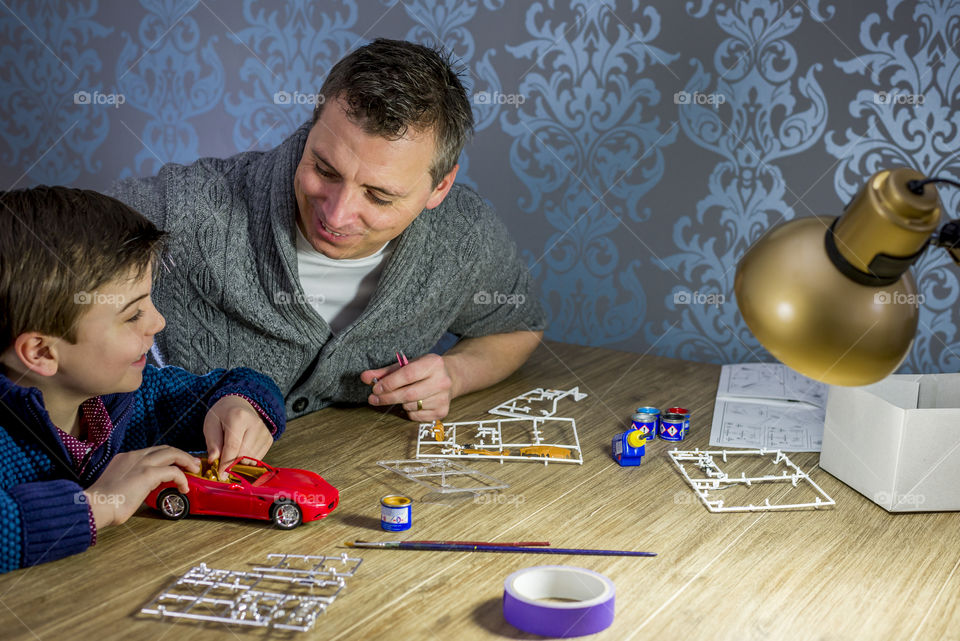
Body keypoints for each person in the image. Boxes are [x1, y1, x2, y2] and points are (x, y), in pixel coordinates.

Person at [109, 38, 546, 421]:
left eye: (379, 196)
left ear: (440, 187)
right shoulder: (185, 206)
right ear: (311, 129)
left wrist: (453, 374)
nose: (336, 216)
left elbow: (518, 326)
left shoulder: (465, 233)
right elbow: (47, 264)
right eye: (324, 169)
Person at [0, 186, 286, 573]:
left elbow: (239, 382)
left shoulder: (128, 399)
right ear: (42, 352)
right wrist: (99, 503)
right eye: (132, 315)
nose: (158, 322)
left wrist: (240, 404)